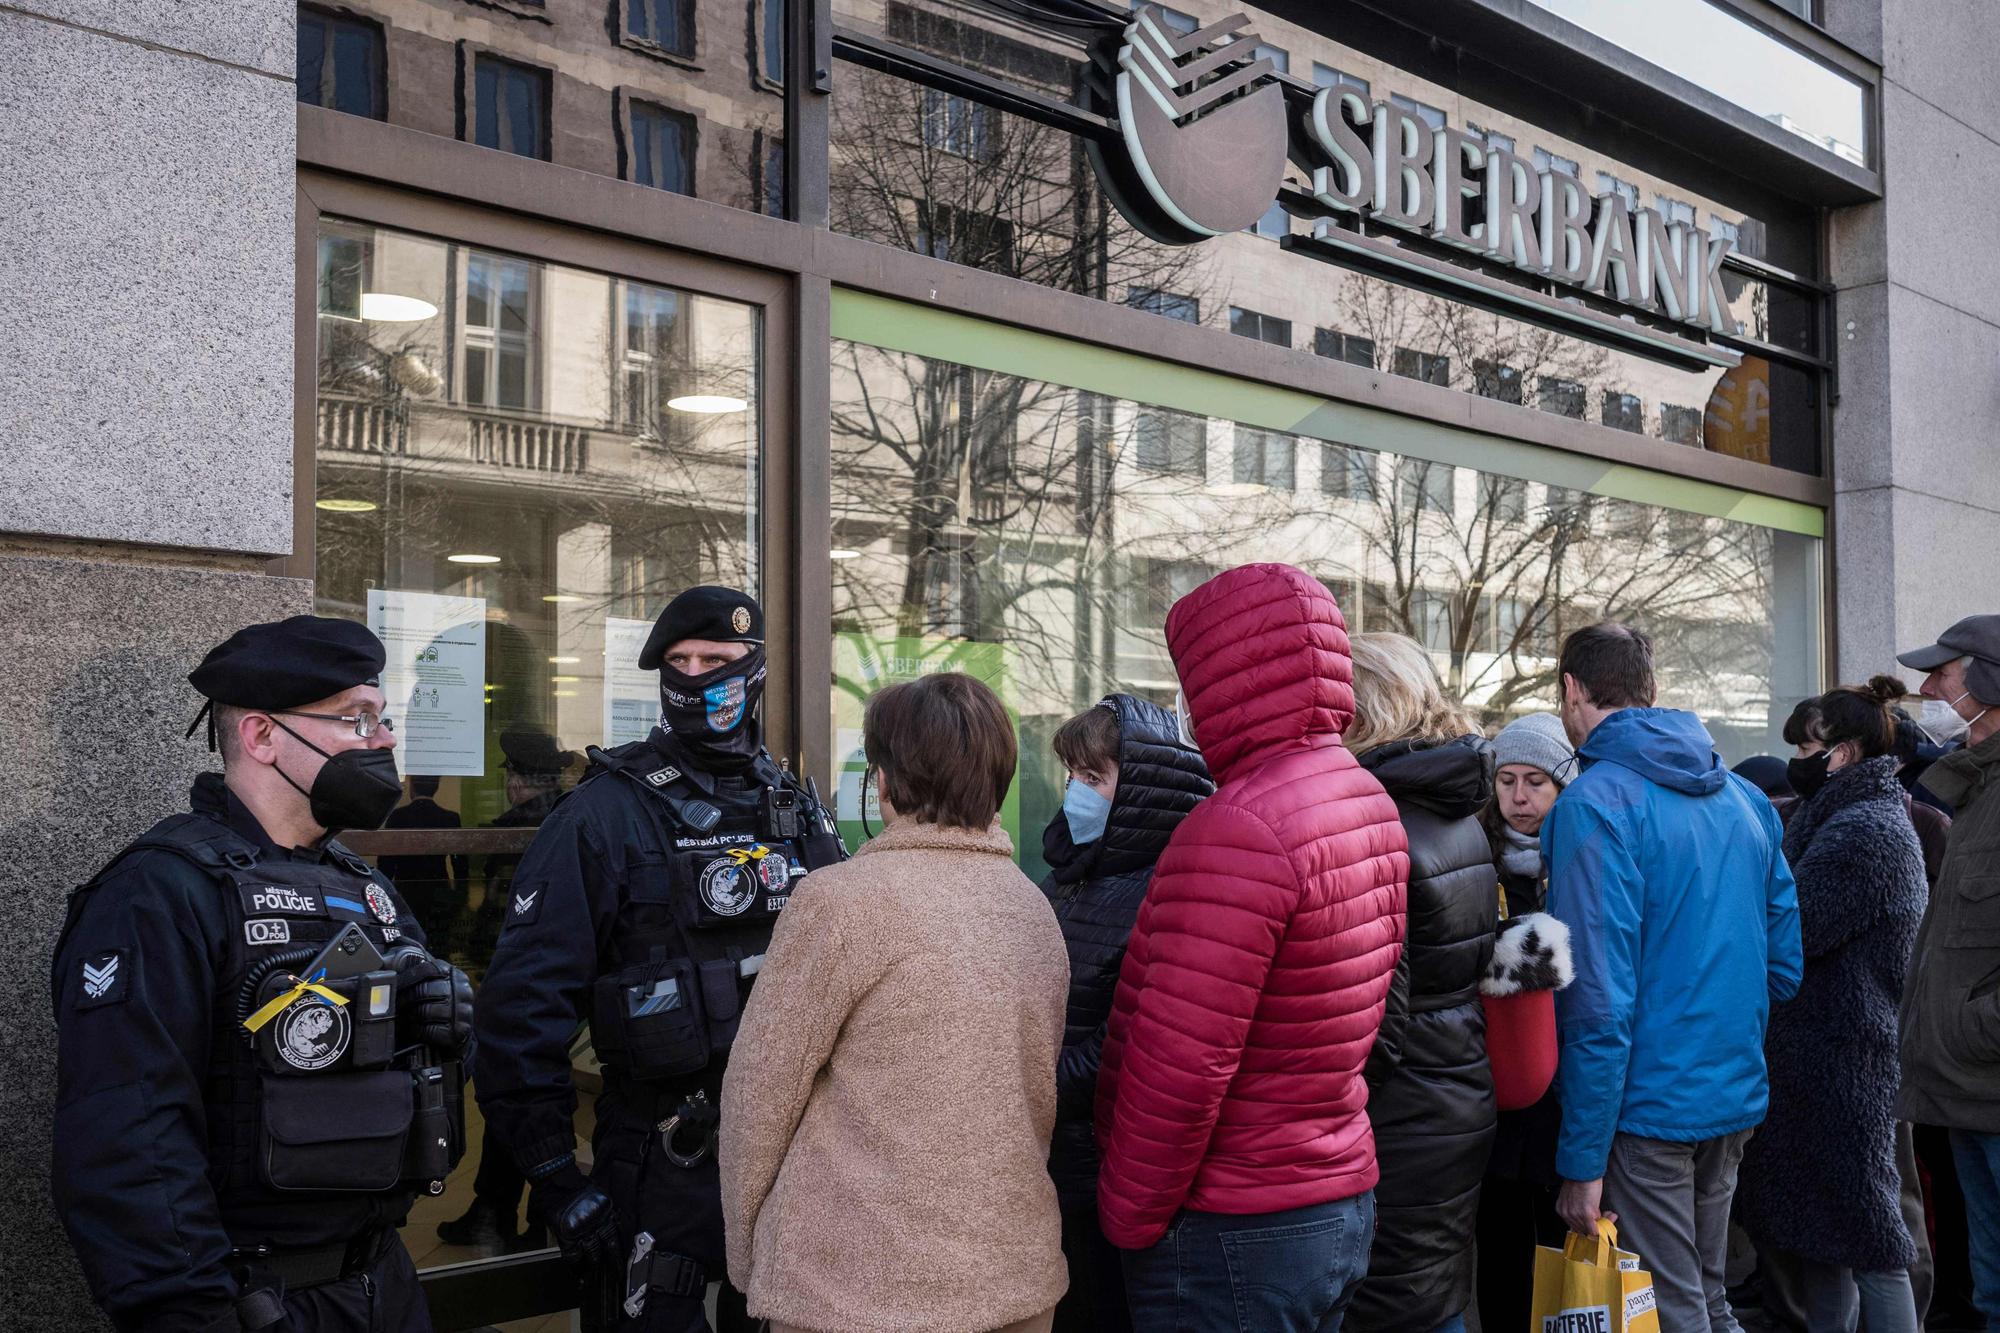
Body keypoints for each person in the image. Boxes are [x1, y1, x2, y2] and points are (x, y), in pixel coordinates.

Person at [50, 615, 473, 1333]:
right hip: (253, 1300)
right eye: (355, 717)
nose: (385, 739)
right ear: (261, 736)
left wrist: (440, 1031)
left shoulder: (366, 889)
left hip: (381, 1284)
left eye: (383, 716)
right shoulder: (162, 893)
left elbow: (396, 1097)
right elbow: (127, 1140)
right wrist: (196, 1312)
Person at [471, 587, 845, 1332]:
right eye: (679, 662)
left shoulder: (795, 807)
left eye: (717, 660)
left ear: (757, 670)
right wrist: (553, 1176)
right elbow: (518, 1019)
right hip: (664, 1163)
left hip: (792, 1168)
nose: (696, 676)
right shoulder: (605, 814)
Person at [1096, 563, 1409, 1333]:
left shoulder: (1241, 823)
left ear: (1223, 675)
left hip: (1234, 1220)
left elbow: (1182, 1061)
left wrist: (1128, 1215)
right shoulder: (1363, 796)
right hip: (1332, 1195)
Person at [719, 672, 1070, 1332]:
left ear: (881, 778)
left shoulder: (839, 902)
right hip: (1013, 1277)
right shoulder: (1033, 909)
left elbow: (759, 1098)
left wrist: (748, 1255)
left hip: (852, 1288)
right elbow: (1034, 1099)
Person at [1543, 621, 1802, 1332]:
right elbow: (1784, 965)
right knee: (1708, 1294)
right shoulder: (1745, 802)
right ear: (1650, 689)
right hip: (1730, 1088)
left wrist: (1581, 1163)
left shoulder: (1594, 806)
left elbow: (1594, 1001)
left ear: (1571, 691)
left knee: (1670, 1304)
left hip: (1646, 1107)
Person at [1738, 678, 1927, 1333]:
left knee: (1870, 1240)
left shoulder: (1864, 829)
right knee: (1827, 1235)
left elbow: (1798, 926)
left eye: (1809, 743)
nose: (1798, 755)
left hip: (1846, 1061)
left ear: (1843, 752)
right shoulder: (1844, 815)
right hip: (1825, 1058)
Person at [1037, 694, 1211, 1333]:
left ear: (1141, 789)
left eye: (1093, 779)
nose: (1075, 794)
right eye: (1072, 777)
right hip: (1057, 1154)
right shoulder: (1071, 872)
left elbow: (1132, 1036)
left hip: (1111, 1167)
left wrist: (1033, 1082)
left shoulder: (1169, 885)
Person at [1339, 633, 1496, 1333]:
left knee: (1394, 1304)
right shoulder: (1456, 808)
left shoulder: (1380, 817)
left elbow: (1377, 1022)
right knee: (1430, 1296)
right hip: (1457, 1088)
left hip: (1401, 1111)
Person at [1895, 615, 2000, 1333]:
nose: (1927, 687)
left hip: (1986, 1068)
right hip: (1967, 1085)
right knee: (1990, 1293)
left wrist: (1977, 1027)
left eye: (1946, 672)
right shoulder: (1976, 789)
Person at [438, 724, 579, 1253]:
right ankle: (530, 1213)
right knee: (542, 1090)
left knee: (511, 1091)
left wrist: (470, 960)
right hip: (570, 983)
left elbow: (496, 915)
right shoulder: (573, 815)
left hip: (521, 980)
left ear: (520, 781)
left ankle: (497, 1209)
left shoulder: (517, 829)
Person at [1474, 711, 1578, 1331]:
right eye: (1507, 779)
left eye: (1535, 781)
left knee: (1563, 1259)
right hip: (1496, 1094)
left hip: (1568, 1094)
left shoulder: (1581, 860)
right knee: (1502, 1258)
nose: (1518, 796)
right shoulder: (1473, 859)